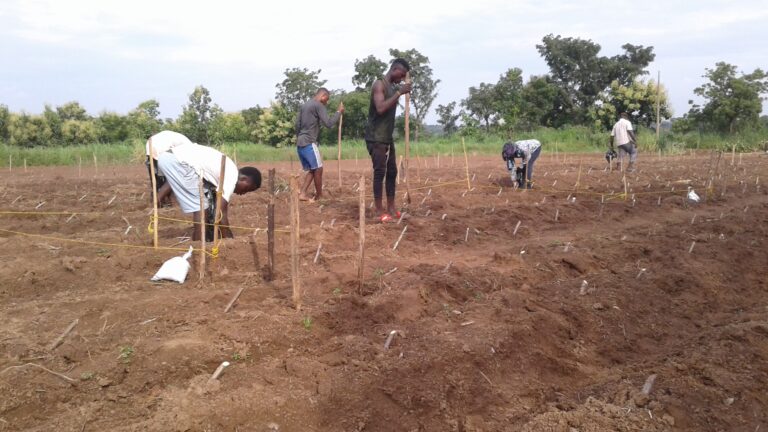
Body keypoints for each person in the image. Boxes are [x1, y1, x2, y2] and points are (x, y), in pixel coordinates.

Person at [155, 141, 261, 241]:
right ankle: (198, 242)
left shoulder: (229, 169)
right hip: (177, 161)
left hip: (171, 157)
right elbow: (219, 212)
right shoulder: (231, 177)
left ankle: (155, 204)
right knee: (201, 206)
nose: (243, 194)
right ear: (244, 179)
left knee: (202, 200)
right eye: (247, 189)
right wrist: (229, 239)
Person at [364, 58, 412, 223]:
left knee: (392, 172)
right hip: (375, 137)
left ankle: (391, 208)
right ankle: (378, 212)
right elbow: (380, 108)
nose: (403, 78)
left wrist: (399, 91)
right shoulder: (380, 85)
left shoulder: (391, 87)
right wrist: (400, 92)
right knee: (380, 172)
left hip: (386, 137)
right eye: (402, 74)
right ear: (395, 69)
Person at [295, 88, 344, 201]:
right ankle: (319, 196)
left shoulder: (304, 106)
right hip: (309, 142)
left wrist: (300, 138)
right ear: (323, 95)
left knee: (313, 169)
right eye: (327, 99)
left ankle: (302, 194)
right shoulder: (318, 105)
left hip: (300, 143)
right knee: (318, 169)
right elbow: (329, 123)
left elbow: (297, 125)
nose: (326, 102)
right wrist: (338, 112)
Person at [145, 130, 193, 206]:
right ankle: (162, 200)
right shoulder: (186, 142)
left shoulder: (156, 139)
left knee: (159, 179)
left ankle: (160, 198)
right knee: (172, 178)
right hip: (161, 153)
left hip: (155, 154)